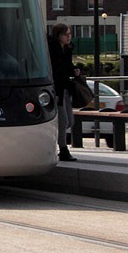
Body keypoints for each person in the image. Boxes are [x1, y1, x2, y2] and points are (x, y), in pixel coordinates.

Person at [48, 22, 80, 161]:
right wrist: (55, 93)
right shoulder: (52, 50)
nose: (69, 37)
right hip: (57, 90)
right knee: (63, 120)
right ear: (58, 35)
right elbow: (55, 72)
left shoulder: (66, 50)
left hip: (65, 88)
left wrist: (75, 70)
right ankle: (63, 148)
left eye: (69, 34)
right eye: (66, 34)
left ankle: (57, 144)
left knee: (69, 121)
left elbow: (66, 68)